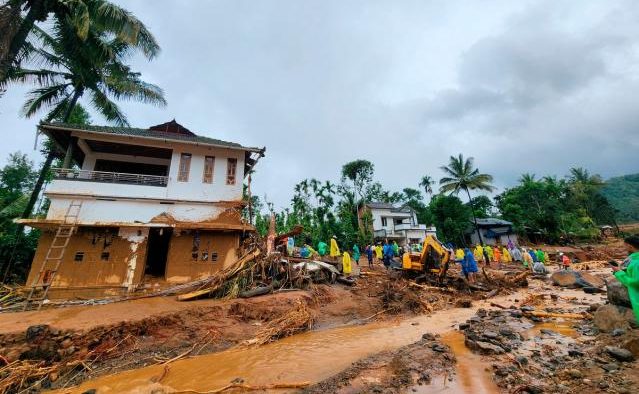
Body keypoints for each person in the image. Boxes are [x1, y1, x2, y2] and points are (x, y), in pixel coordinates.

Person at [612, 236, 639, 322]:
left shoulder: (636, 262)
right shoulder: (634, 259)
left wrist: (619, 272)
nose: (624, 248)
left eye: (625, 246)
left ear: (630, 246)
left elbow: (635, 282)